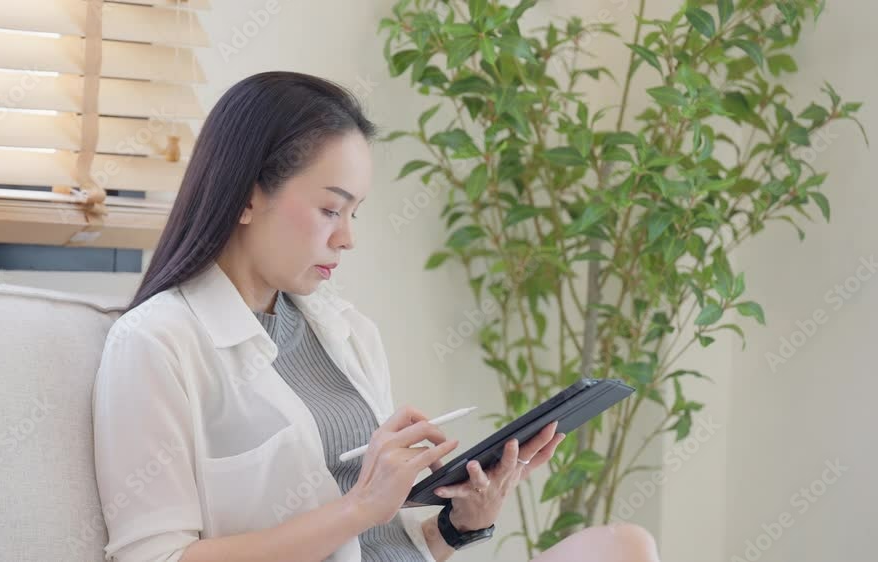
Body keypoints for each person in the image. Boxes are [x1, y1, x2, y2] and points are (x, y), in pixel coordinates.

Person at [92, 71, 661, 562]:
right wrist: (358, 507)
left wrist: (460, 523)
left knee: (625, 545)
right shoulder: (156, 342)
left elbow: (387, 539)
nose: (347, 238)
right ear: (246, 196)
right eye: (329, 209)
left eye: (354, 213)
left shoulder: (346, 332)